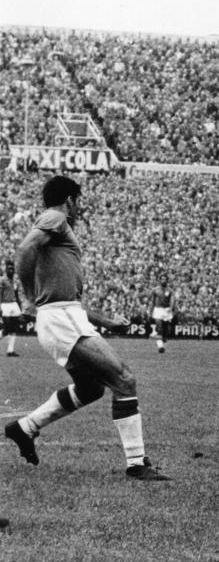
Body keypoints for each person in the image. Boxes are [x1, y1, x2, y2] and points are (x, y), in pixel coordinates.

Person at [3, 175, 169, 480]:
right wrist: (26, 300)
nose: (80, 208)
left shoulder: (57, 235)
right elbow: (24, 250)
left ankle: (24, 428)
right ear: (70, 200)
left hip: (65, 317)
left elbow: (67, 299)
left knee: (92, 389)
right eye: (79, 201)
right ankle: (136, 464)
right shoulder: (56, 217)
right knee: (124, 379)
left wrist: (106, 321)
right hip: (60, 320)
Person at [0, 259, 22, 356]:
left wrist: (19, 306)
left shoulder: (15, 281)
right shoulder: (2, 280)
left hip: (14, 305)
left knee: (14, 328)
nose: (11, 271)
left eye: (12, 269)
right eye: (9, 269)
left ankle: (10, 350)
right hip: (5, 305)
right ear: (6, 270)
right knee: (7, 328)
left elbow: (16, 294)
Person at [149, 275, 176, 353]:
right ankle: (160, 346)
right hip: (158, 310)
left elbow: (172, 300)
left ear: (167, 280)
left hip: (166, 310)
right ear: (159, 280)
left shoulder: (170, 290)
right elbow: (152, 302)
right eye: (162, 279)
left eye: (165, 279)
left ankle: (163, 337)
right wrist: (150, 312)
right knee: (159, 327)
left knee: (165, 330)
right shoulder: (155, 290)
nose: (163, 280)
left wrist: (171, 308)